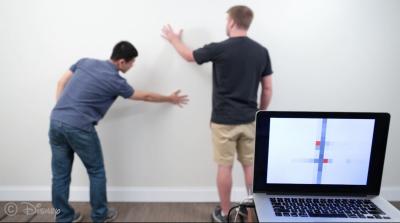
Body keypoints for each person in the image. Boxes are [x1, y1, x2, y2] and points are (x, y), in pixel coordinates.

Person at [49, 41, 188, 222]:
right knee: (96, 171)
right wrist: (169, 98)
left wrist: (60, 109)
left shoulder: (85, 62)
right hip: (80, 128)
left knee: (60, 174)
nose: (132, 65)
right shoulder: (116, 82)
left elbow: (61, 82)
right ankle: (100, 215)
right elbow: (145, 96)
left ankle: (63, 218)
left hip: (56, 121)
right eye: (131, 62)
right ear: (121, 62)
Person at [162, 5, 273, 222]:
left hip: (223, 121)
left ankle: (224, 214)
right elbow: (268, 88)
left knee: (225, 166)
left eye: (226, 21)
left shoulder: (220, 48)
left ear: (231, 22)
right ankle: (252, 213)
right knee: (250, 166)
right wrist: (261, 112)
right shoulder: (261, 51)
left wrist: (174, 38)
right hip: (250, 119)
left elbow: (188, 55)